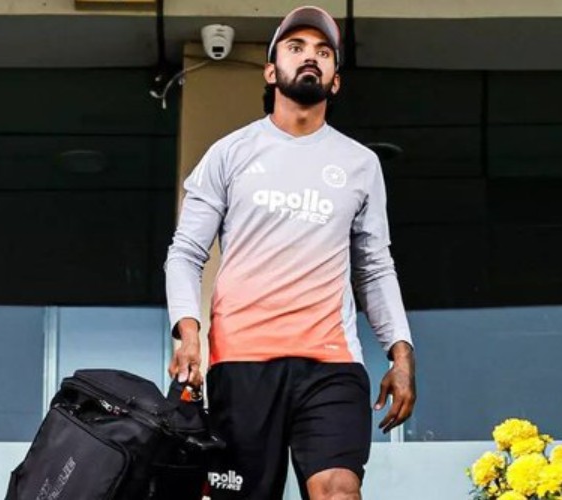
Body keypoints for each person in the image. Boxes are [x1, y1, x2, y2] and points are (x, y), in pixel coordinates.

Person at [164, 5, 416, 499]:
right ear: (270, 70)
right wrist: (188, 334)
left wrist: (401, 353)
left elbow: (374, 267)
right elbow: (185, 253)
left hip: (331, 365)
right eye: (296, 47)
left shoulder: (360, 164)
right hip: (241, 364)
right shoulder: (229, 153)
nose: (310, 57)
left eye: (323, 52)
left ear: (335, 81)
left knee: (338, 490)